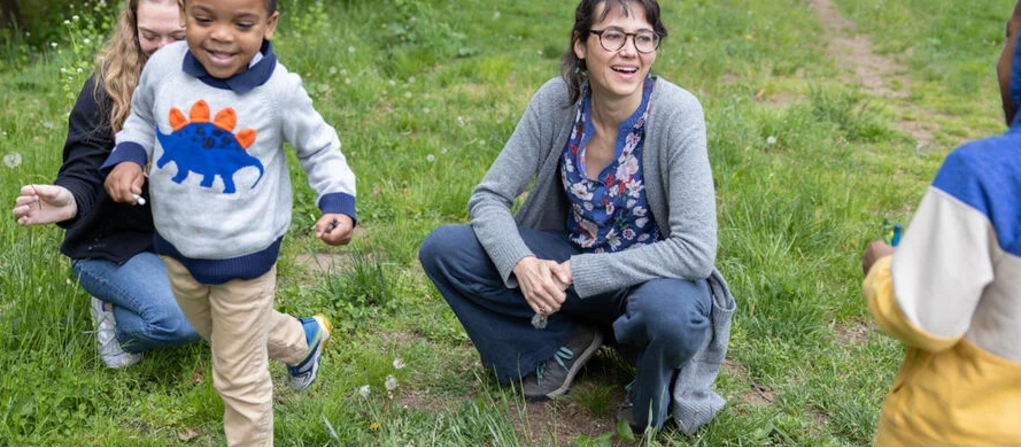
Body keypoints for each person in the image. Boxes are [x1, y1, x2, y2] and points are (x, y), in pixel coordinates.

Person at [419, 0, 735, 434]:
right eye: (612, 35)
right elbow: (488, 198)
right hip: (568, 265)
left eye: (644, 38)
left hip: (653, 281)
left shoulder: (677, 113)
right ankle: (560, 345)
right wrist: (523, 264)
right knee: (445, 249)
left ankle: (647, 389)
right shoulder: (558, 100)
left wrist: (580, 271)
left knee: (669, 316)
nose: (630, 51)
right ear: (581, 45)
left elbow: (695, 252)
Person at [100, 0, 356, 444]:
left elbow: (320, 148)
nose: (221, 35)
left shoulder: (278, 91)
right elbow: (141, 119)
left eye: (242, 24)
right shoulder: (162, 68)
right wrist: (128, 155)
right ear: (183, 15)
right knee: (216, 331)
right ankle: (302, 339)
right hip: (176, 250)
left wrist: (336, 198)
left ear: (268, 25)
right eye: (204, 19)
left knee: (237, 375)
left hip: (245, 258)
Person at [860, 2, 1021, 445]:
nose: (1001, 57)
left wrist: (883, 267)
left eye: (1009, 39)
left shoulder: (982, 175)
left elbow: (926, 317)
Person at [12, 0, 198, 369]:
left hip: (182, 241)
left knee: (235, 305)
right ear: (132, 26)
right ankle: (113, 313)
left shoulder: (219, 81)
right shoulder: (107, 88)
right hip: (113, 245)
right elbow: (83, 166)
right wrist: (69, 199)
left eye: (178, 36)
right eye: (150, 36)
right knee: (184, 321)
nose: (163, 49)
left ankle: (149, 296)